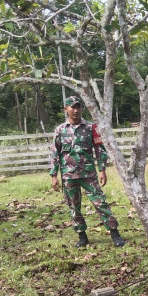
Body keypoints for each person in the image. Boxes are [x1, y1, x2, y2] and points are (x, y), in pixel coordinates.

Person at [50, 95, 126, 248]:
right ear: (66, 109)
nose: (76, 110)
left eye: (78, 107)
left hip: (88, 174)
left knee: (100, 203)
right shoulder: (60, 130)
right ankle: (82, 236)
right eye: (72, 107)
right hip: (68, 176)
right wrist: (53, 175)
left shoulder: (91, 127)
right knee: (73, 206)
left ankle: (114, 233)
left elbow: (99, 149)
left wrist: (102, 170)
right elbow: (54, 153)